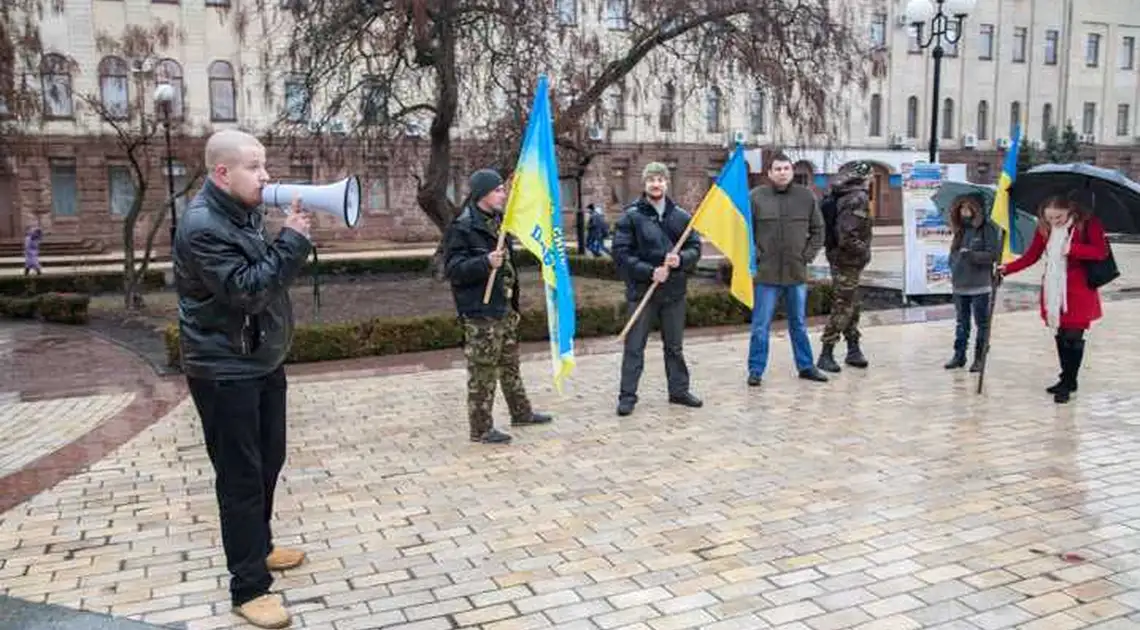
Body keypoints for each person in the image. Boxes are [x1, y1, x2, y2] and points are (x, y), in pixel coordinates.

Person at [172, 129, 314, 628]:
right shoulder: (202, 227)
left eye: (265, 165)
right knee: (240, 478)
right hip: (224, 369)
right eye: (255, 167)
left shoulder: (242, 213)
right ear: (222, 173)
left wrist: (284, 240)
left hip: (259, 360)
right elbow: (248, 292)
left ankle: (261, 546)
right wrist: (292, 241)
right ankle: (249, 587)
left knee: (269, 460)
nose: (266, 175)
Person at [442, 168, 553, 444]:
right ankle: (480, 428)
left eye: (503, 189)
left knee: (509, 364)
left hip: (503, 308)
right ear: (483, 194)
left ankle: (521, 412)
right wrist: (484, 263)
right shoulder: (463, 227)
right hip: (480, 312)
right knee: (482, 370)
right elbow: (454, 270)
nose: (503, 194)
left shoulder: (499, 222)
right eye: (498, 190)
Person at [611, 162, 703, 417]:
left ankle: (679, 391)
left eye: (660, 179)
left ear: (667, 182)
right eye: (651, 179)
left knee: (674, 346)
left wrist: (681, 259)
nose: (656, 183)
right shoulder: (631, 217)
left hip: (674, 294)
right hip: (643, 293)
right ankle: (627, 396)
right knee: (634, 346)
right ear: (644, 183)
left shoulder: (680, 216)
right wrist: (649, 271)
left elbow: (695, 248)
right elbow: (620, 254)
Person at [999, 196, 1109, 404]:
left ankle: (1067, 383)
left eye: (1058, 217)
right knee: (1060, 334)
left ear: (1070, 211)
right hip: (1053, 288)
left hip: (1079, 289)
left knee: (1073, 337)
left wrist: (1073, 249)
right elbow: (1032, 256)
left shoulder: (1088, 223)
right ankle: (1067, 378)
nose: (1054, 222)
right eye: (1049, 217)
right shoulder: (1044, 228)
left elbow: (1100, 252)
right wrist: (1007, 269)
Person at [747, 152, 829, 386]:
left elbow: (818, 230)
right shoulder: (756, 197)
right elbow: (745, 232)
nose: (782, 173)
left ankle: (806, 366)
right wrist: (757, 255)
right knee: (760, 325)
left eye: (786, 169)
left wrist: (807, 255)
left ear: (792, 172)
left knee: (799, 323)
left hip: (795, 271)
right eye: (778, 169)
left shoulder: (806, 197)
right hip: (767, 273)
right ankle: (755, 369)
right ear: (770, 173)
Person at [817, 162, 874, 373]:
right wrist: (864, 251)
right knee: (844, 305)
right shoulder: (857, 198)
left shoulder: (840, 193)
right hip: (847, 259)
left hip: (840, 257)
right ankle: (826, 352)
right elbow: (847, 236)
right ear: (865, 177)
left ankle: (853, 348)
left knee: (852, 302)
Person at [945, 194, 1002, 372]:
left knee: (982, 323)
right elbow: (953, 254)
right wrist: (954, 264)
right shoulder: (960, 230)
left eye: (968, 208)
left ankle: (980, 357)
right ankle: (959, 355)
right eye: (961, 208)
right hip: (960, 284)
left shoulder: (987, 229)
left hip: (980, 285)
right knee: (962, 322)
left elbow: (993, 255)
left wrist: (972, 255)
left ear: (976, 209)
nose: (965, 212)